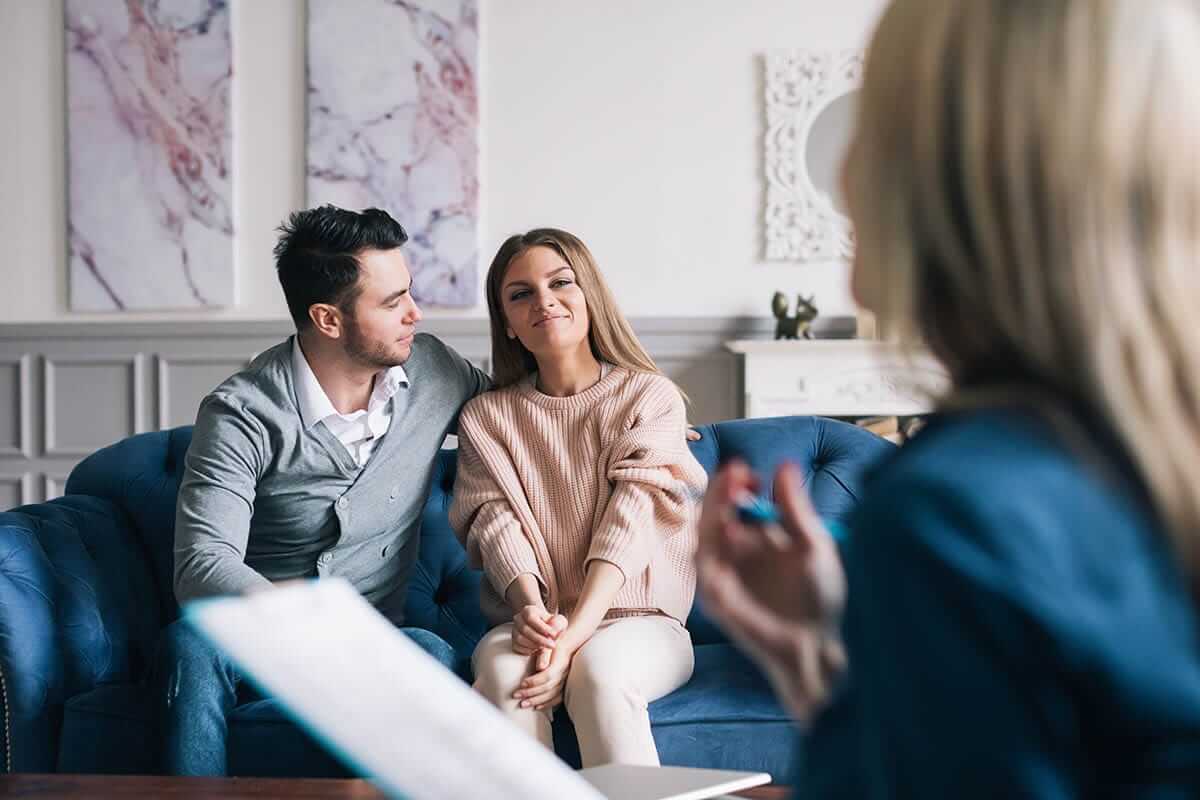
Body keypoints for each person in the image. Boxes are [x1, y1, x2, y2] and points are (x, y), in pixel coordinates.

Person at [696, 0, 1200, 796]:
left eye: (879, 120)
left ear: (941, 182)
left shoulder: (952, 516)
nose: (850, 164)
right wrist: (821, 663)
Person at [156, 205, 490, 775]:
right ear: (328, 319)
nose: (415, 313)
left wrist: (626, 416)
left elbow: (525, 412)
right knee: (194, 642)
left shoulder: (433, 369)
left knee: (433, 654)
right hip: (260, 638)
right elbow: (202, 564)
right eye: (392, 303)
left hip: (374, 644)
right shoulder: (242, 412)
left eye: (408, 292)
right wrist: (310, 622)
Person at [448, 229, 706, 767]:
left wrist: (573, 638)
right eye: (520, 294)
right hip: (534, 617)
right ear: (509, 325)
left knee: (600, 671)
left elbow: (631, 518)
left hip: (644, 622)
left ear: (589, 295)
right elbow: (495, 525)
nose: (543, 300)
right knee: (502, 672)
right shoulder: (487, 417)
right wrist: (536, 618)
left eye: (560, 282)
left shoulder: (647, 395)